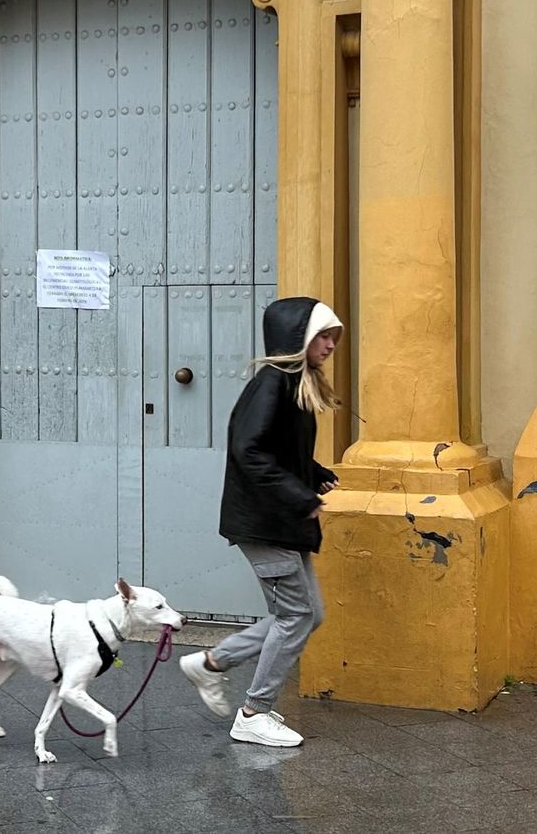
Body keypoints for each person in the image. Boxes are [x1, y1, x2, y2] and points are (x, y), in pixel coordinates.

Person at [178, 296, 343, 748]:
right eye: (322, 336)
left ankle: (212, 663)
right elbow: (247, 450)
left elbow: (279, 451)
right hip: (264, 522)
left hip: (279, 520)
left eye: (333, 337)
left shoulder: (294, 383)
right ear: (298, 339)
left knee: (309, 615)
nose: (330, 345)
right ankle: (254, 712)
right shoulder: (272, 383)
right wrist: (298, 495)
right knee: (294, 615)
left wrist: (315, 474)